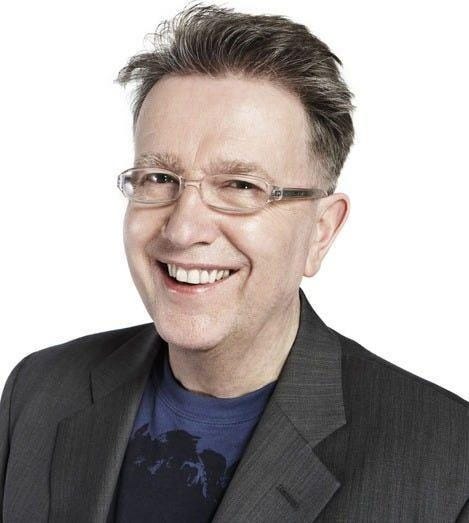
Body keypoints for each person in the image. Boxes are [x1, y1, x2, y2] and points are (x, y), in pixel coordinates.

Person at [1, 3, 468, 522]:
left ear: (321, 230)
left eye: (241, 186)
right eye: (159, 178)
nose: (183, 229)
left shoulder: (449, 462)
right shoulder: (37, 391)